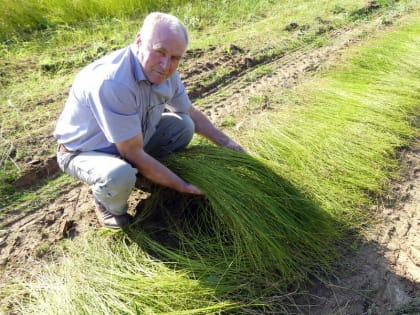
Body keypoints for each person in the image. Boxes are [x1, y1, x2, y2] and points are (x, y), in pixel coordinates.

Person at [53, 12, 243, 229]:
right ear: (139, 41)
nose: (165, 65)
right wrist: (182, 186)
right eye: (159, 52)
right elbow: (131, 152)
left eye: (175, 58)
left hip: (131, 139)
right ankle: (107, 203)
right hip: (85, 151)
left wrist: (229, 145)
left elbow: (189, 112)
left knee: (184, 126)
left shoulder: (168, 72)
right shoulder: (113, 82)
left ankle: (144, 175)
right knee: (118, 175)